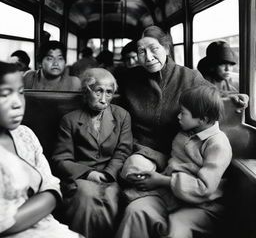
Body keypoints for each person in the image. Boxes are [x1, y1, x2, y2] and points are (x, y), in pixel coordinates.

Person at [115, 25, 246, 238]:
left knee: (170, 221)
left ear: (166, 48)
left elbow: (208, 100)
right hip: (146, 153)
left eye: (153, 49)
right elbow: (103, 85)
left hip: (178, 171)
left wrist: (234, 99)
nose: (147, 57)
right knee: (133, 182)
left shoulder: (190, 79)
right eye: (141, 51)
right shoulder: (129, 78)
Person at [119, 85, 232, 238]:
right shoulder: (186, 132)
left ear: (203, 119)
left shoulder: (218, 145)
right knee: (136, 210)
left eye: (183, 113)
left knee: (176, 228)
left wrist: (163, 181)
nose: (178, 116)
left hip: (202, 205)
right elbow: (174, 161)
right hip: (171, 196)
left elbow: (204, 188)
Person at [0, 61, 83, 238]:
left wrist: (50, 195)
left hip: (45, 225)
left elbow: (52, 185)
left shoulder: (25, 135)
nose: (17, 103)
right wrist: (48, 198)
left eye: (20, 93)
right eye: (5, 94)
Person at [51, 68, 133, 238]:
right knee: (86, 196)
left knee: (111, 195)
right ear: (86, 91)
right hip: (81, 178)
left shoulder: (122, 116)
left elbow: (123, 152)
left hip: (111, 177)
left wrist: (108, 174)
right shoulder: (70, 120)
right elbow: (61, 159)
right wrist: (89, 174)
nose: (104, 99)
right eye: (98, 91)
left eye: (109, 93)